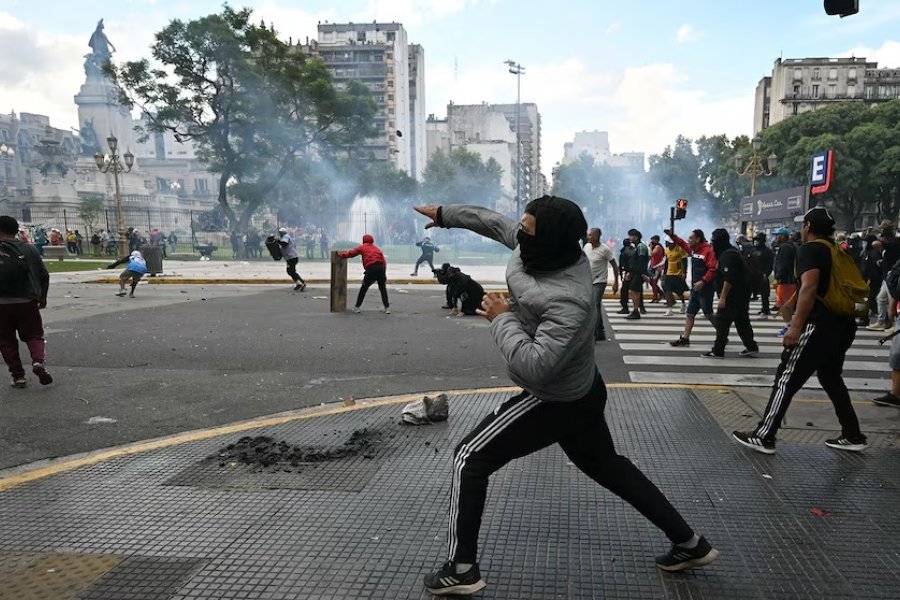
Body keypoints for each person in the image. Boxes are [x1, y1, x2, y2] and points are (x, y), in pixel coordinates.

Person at [414, 198, 718, 597]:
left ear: (552, 241)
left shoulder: (570, 300)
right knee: (607, 466)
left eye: (528, 229)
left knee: (469, 459)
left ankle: (461, 568)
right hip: (582, 389)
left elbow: (536, 367)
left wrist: (501, 318)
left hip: (555, 399)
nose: (518, 234)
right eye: (522, 226)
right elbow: (493, 222)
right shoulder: (535, 245)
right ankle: (691, 544)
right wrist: (446, 216)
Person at [733, 206, 868, 454]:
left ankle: (765, 435)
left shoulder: (810, 249)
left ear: (807, 226)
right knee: (831, 377)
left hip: (819, 325)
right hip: (843, 324)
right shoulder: (835, 250)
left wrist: (795, 326)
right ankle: (852, 433)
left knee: (786, 377)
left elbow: (809, 287)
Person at [0, 215, 52, 388]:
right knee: (34, 335)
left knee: (6, 341)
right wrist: (42, 298)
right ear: (16, 230)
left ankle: (18, 376)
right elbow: (44, 275)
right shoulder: (30, 249)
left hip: (1, 304)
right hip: (26, 300)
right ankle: (38, 361)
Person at [703, 229, 759, 359]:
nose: (712, 244)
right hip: (741, 294)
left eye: (713, 241)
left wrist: (722, 297)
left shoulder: (728, 256)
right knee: (742, 321)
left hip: (732, 295)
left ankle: (718, 350)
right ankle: (751, 347)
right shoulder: (730, 252)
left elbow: (729, 278)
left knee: (722, 322)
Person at [666, 228, 717, 347]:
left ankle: (722, 334)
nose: (688, 240)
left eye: (691, 238)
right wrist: (673, 235)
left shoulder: (707, 251)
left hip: (705, 289)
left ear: (698, 239)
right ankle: (685, 338)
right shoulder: (694, 250)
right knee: (690, 314)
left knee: (708, 314)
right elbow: (682, 244)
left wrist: (703, 281)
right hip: (695, 289)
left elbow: (713, 269)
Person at [337, 234, 390, 314]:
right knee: (383, 289)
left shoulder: (362, 247)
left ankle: (357, 307)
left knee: (364, 288)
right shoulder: (377, 249)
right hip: (381, 268)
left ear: (364, 240)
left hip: (371, 269)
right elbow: (384, 262)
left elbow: (351, 253)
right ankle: (387, 308)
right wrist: (383, 273)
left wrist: (341, 255)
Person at [583, 227, 619, 341]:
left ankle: (594, 332)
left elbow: (614, 265)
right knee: (595, 306)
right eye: (588, 235)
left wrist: (616, 282)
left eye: (591, 235)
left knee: (595, 304)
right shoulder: (587, 247)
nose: (588, 237)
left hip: (600, 281)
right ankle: (600, 332)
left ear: (597, 236)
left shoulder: (605, 249)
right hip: (588, 280)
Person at [869, 221, 900, 331]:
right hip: (887, 275)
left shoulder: (893, 242)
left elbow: (875, 244)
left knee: (893, 300)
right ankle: (882, 321)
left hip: (893, 275)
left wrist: (878, 236)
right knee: (881, 298)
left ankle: (893, 323)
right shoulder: (891, 244)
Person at [624, 229, 649, 319]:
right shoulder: (637, 247)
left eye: (631, 236)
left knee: (634, 291)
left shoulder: (641, 247)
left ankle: (636, 311)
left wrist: (642, 274)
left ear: (636, 237)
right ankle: (636, 310)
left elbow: (641, 262)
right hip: (637, 273)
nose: (630, 238)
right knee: (635, 291)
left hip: (639, 273)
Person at [749, 232, 775, 317]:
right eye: (755, 240)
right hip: (752, 275)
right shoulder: (752, 250)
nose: (756, 242)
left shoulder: (767, 251)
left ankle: (765, 310)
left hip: (762, 275)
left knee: (764, 295)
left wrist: (766, 273)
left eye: (758, 240)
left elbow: (770, 264)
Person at [662, 238, 688, 316]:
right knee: (668, 291)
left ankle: (683, 304)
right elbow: (666, 262)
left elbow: (684, 261)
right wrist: (664, 273)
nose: (667, 244)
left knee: (679, 292)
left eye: (668, 243)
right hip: (669, 273)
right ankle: (669, 309)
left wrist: (684, 273)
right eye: (666, 242)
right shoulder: (666, 250)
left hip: (678, 273)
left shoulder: (680, 249)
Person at [276, 227, 307, 292]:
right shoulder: (285, 237)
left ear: (284, 233)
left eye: (281, 233)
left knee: (291, 271)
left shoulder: (286, 236)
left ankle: (302, 283)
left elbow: (284, 244)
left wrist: (277, 241)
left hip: (292, 258)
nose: (280, 234)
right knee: (290, 271)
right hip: (291, 258)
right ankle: (299, 283)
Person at [617, 238, 635, 314]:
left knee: (624, 290)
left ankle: (625, 307)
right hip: (634, 272)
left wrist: (621, 275)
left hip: (628, 273)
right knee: (635, 290)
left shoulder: (624, 252)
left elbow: (622, 265)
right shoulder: (633, 250)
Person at [647, 234, 665, 303]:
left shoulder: (657, 247)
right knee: (652, 282)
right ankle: (660, 293)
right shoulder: (656, 247)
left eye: (653, 240)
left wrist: (650, 248)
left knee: (654, 282)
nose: (651, 242)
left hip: (657, 268)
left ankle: (656, 297)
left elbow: (652, 254)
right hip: (653, 267)